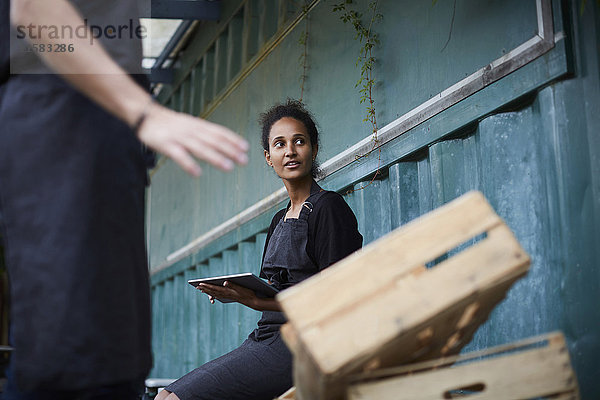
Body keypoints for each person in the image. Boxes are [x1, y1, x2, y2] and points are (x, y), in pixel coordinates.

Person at [0, 0, 248, 398]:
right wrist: (144, 113)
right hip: (65, 114)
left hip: (95, 120)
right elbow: (33, 8)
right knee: (75, 361)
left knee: (114, 360)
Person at [156, 100, 363, 400]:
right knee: (164, 395)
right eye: (280, 144)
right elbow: (275, 289)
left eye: (299, 142)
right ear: (268, 157)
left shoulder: (328, 208)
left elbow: (333, 302)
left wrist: (257, 302)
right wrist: (236, 290)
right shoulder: (279, 219)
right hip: (266, 337)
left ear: (314, 149)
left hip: (304, 346)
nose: (290, 151)